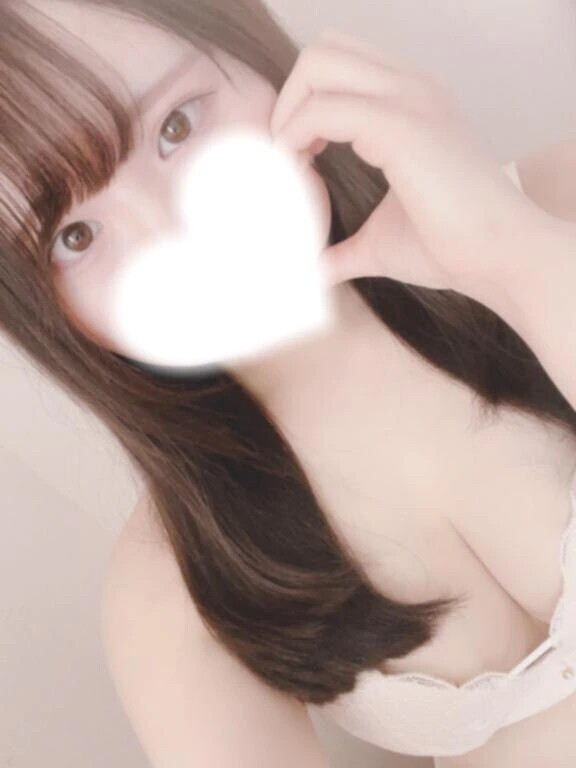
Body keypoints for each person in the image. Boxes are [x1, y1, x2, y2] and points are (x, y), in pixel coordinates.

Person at [1, 1, 576, 766]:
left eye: (177, 126)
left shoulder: (554, 199)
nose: (171, 237)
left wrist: (510, 252)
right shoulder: (177, 588)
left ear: (260, 57)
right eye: (73, 236)